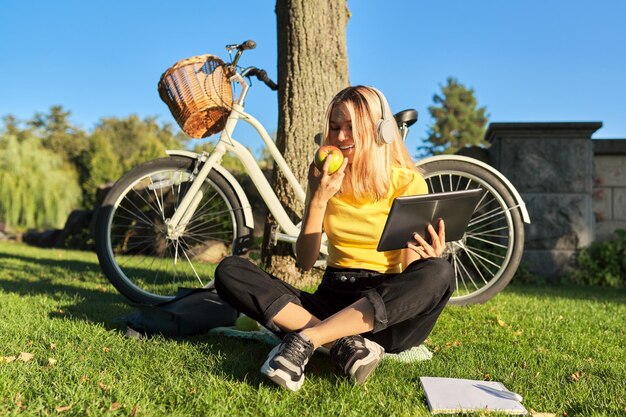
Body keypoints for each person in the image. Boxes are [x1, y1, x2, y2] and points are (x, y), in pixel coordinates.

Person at [214, 85, 454, 391]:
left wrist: (426, 255)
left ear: (378, 130)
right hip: (332, 296)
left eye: (351, 128)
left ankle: (309, 339)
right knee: (230, 270)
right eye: (335, 127)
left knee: (440, 271)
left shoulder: (407, 182)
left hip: (383, 314)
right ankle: (343, 344)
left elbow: (409, 273)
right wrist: (317, 198)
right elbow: (305, 260)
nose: (340, 137)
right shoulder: (326, 178)